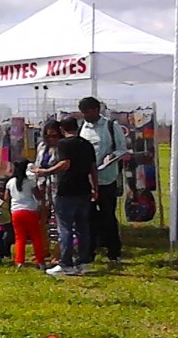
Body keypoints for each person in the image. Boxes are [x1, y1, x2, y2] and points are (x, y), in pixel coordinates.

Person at [35, 116, 98, 277]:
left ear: (62, 130)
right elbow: (93, 168)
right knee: (83, 227)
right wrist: (95, 188)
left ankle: (66, 263)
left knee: (65, 228)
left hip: (66, 190)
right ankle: (84, 262)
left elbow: (65, 163)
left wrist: (45, 172)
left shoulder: (63, 145)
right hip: (83, 189)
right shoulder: (86, 144)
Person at [78, 96, 126, 265]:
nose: (85, 115)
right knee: (88, 217)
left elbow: (122, 149)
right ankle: (88, 251)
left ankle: (114, 251)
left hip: (106, 178)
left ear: (97, 110)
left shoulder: (111, 127)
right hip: (87, 180)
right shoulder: (82, 128)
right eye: (83, 112)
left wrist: (112, 156)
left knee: (107, 215)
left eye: (88, 111)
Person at [6, 159, 45, 268]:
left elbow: (6, 197)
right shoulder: (30, 182)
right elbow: (38, 196)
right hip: (30, 210)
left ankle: (19, 261)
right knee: (35, 237)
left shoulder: (10, 182)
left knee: (19, 238)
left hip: (16, 211)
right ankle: (40, 261)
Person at [35, 120, 62, 264]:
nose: (51, 139)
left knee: (58, 221)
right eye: (48, 136)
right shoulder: (41, 147)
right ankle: (43, 250)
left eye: (54, 136)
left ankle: (58, 253)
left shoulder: (62, 148)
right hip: (42, 187)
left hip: (57, 187)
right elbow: (37, 163)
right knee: (41, 221)